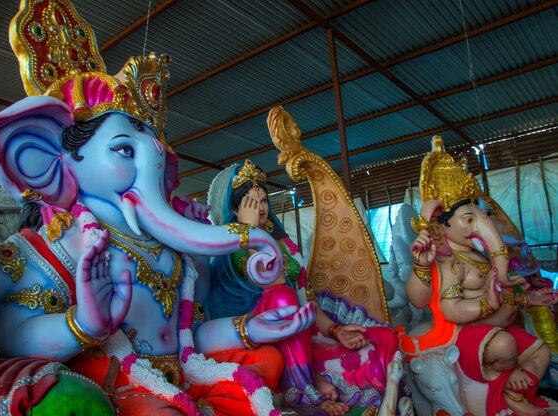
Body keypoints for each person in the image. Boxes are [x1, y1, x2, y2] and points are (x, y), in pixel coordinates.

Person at [207, 160, 398, 413]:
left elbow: (304, 301)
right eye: (251, 202)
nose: (260, 208)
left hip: (300, 338)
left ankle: (309, 374)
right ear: (235, 208)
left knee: (382, 338)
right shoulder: (230, 246)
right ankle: (304, 388)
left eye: (263, 201)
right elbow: (273, 283)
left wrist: (335, 330)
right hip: (259, 338)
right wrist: (249, 232)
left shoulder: (284, 245)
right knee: (281, 297)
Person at [403, 137, 557, 416]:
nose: (481, 226)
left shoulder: (479, 256)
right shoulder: (450, 263)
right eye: (468, 220)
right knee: (504, 344)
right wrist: (488, 303)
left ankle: (512, 392)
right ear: (442, 222)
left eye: (480, 217)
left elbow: (501, 290)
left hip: (496, 327)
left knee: (542, 351)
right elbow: (448, 308)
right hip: (466, 333)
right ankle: (505, 384)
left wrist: (527, 299)